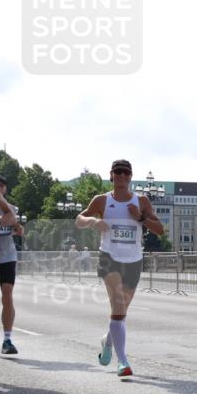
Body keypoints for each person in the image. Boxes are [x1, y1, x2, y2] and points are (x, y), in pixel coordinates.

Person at [75, 159, 163, 377]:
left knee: (120, 313)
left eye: (126, 173)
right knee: (119, 304)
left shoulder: (141, 201)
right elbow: (79, 219)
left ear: (131, 177)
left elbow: (160, 229)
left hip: (133, 260)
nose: (122, 176)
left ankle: (107, 342)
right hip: (109, 258)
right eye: (118, 172)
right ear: (111, 175)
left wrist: (141, 217)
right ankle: (122, 361)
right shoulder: (102, 200)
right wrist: (93, 222)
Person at [0, 174, 23, 354]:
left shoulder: (10, 207)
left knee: (7, 293)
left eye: (2, 185)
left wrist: (14, 227)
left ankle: (7, 339)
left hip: (7, 257)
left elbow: (14, 223)